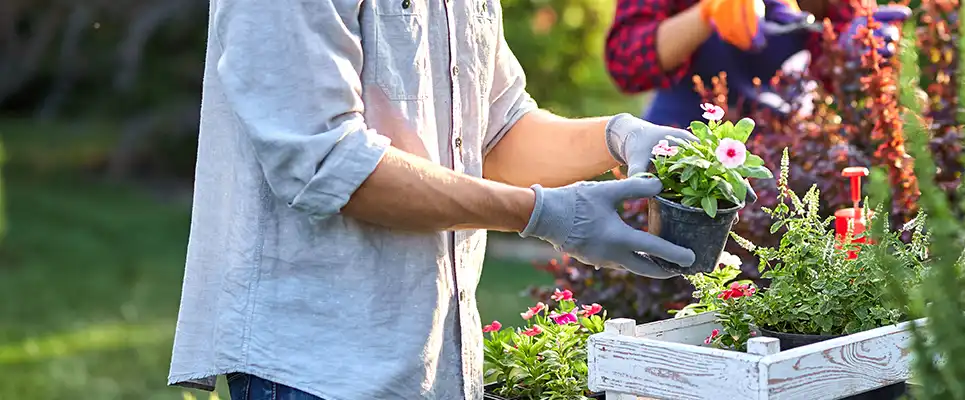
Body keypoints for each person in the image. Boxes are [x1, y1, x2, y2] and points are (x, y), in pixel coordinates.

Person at [165, 1, 750, 399]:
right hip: (316, 366)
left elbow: (497, 133)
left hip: (435, 359)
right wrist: (541, 213)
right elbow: (327, 162)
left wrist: (616, 136)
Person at [605, 0, 910, 128]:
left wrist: (850, 53)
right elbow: (626, 63)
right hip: (681, 145)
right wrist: (707, 13)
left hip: (783, 158)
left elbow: (831, 81)